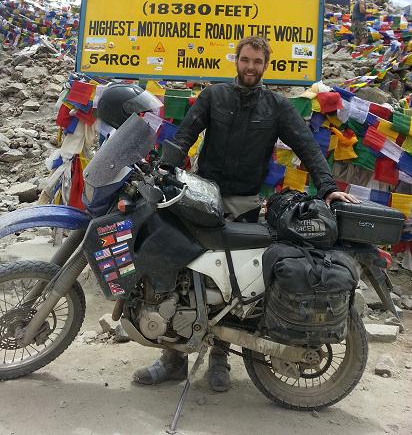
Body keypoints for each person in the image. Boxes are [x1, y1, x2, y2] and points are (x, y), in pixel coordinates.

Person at [133, 35, 358, 392]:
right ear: (236, 60)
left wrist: (329, 187)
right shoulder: (213, 96)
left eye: (257, 62)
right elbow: (185, 135)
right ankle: (172, 359)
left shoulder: (278, 107)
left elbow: (307, 146)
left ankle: (219, 359)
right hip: (200, 197)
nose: (250, 67)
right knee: (176, 271)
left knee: (232, 289)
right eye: (246, 60)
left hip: (245, 203)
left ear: (265, 65)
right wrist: (164, 168)